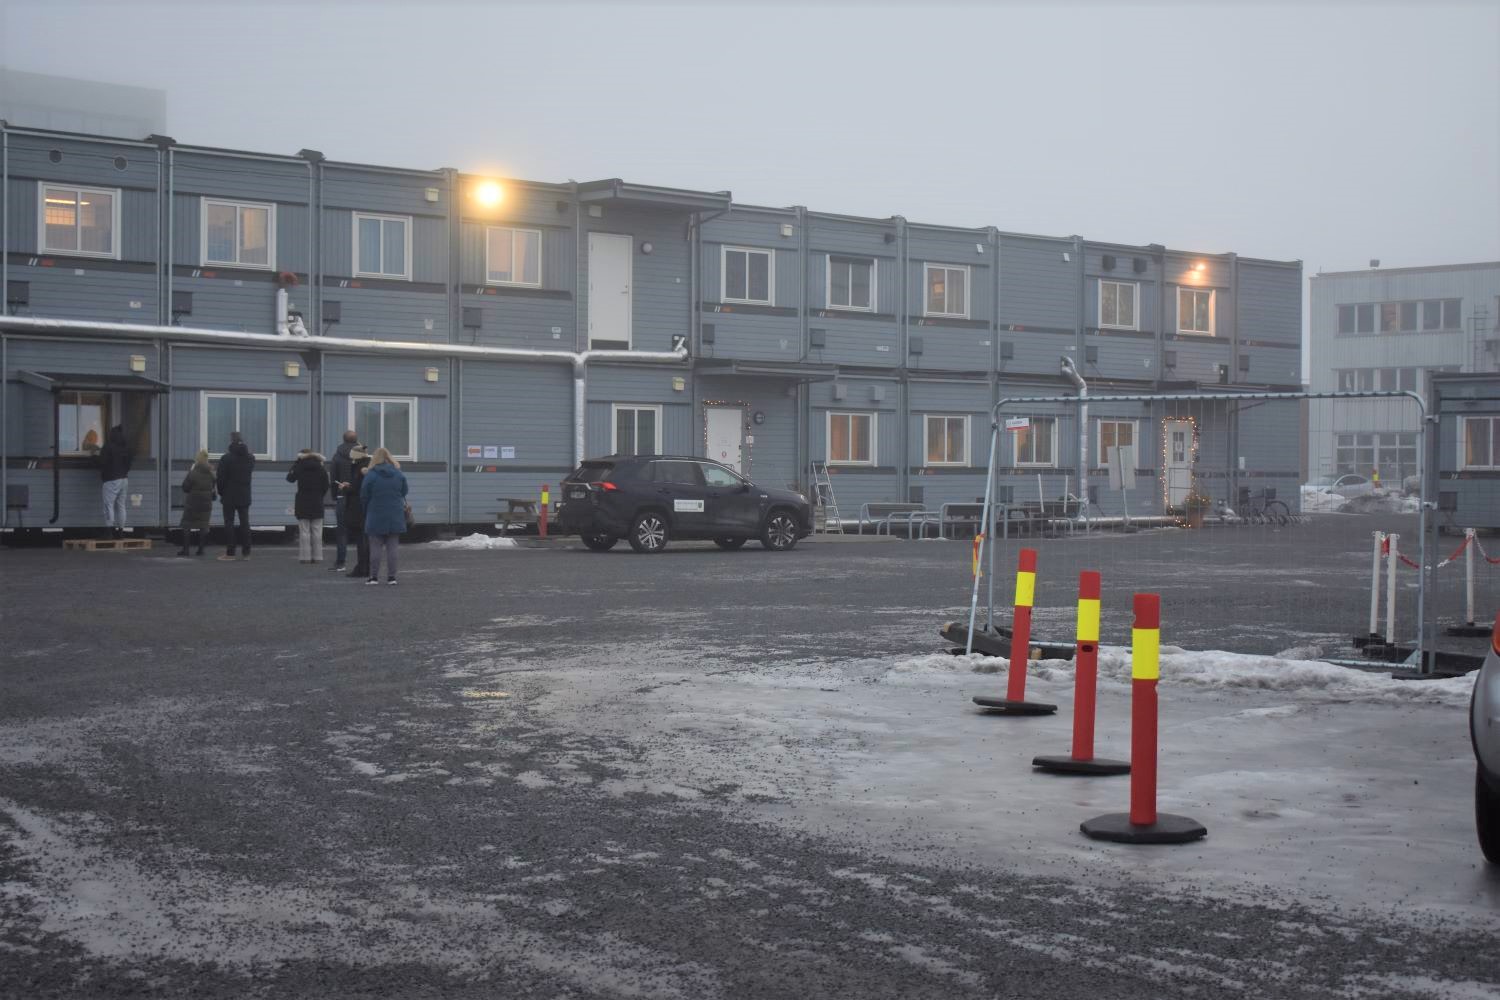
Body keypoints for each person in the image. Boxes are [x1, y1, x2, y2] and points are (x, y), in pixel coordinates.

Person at [359, 446, 408, 586]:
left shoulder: (371, 475)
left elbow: (364, 495)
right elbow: (404, 491)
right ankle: (392, 577)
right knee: (393, 548)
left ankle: (374, 577)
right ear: (389, 458)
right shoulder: (399, 474)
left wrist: (366, 510)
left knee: (375, 547)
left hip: (375, 513)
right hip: (395, 514)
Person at [215, 431, 256, 561]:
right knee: (245, 523)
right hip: (244, 494)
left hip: (229, 495)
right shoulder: (250, 458)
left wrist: (221, 492)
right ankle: (247, 553)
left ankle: (230, 553)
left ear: (231, 441)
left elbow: (220, 479)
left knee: (229, 523)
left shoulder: (226, 458)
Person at [287, 448, 331, 564]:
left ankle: (305, 557)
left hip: (302, 501)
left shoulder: (300, 467)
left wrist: (296, 463)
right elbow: (326, 485)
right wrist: (319, 495)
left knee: (304, 531)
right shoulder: (321, 468)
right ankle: (318, 557)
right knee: (317, 531)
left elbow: (290, 478)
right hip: (317, 501)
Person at [327, 429, 360, 572]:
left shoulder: (337, 456)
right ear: (356, 439)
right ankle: (363, 562)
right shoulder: (362, 455)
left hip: (342, 496)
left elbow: (333, 477)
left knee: (342, 531)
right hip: (358, 497)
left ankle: (340, 562)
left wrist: (335, 495)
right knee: (361, 530)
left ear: (343, 439)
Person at [177, 448, 216, 556]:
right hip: (206, 504)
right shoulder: (211, 474)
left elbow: (185, 488)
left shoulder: (193, 473)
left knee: (187, 525)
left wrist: (191, 471)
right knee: (203, 525)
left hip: (192, 503)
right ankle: (201, 549)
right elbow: (213, 488)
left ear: (197, 460)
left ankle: (186, 550)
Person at [342, 447, 372, 580]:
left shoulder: (360, 468)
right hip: (365, 507)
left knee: (361, 539)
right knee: (365, 539)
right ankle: (366, 567)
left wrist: (346, 488)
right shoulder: (368, 465)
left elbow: (357, 488)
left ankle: (362, 568)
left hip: (358, 507)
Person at [98, 425, 132, 539]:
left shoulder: (108, 447)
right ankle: (121, 531)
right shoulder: (125, 447)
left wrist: (93, 458)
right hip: (124, 479)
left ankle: (109, 532)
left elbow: (102, 462)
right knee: (121, 505)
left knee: (108, 505)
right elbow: (129, 464)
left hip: (111, 479)